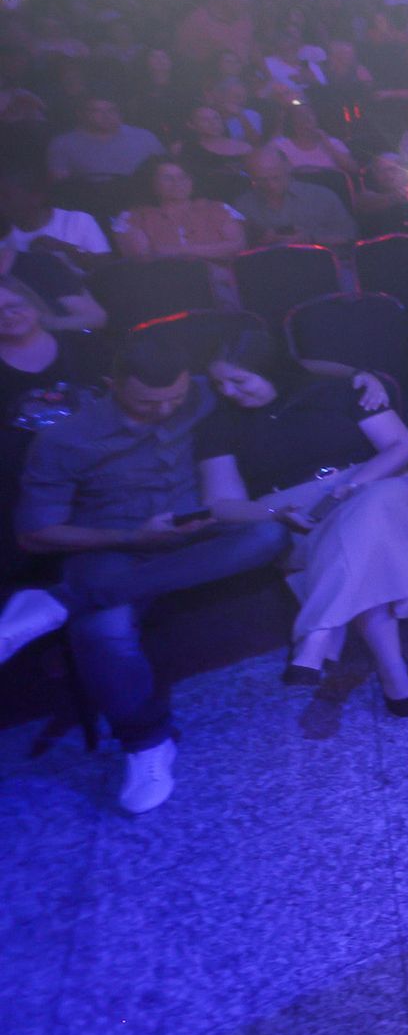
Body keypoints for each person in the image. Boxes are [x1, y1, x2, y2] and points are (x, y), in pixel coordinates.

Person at [8, 337, 290, 812]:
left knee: (268, 536)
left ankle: (63, 599)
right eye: (146, 401)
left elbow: (276, 371)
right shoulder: (65, 439)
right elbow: (35, 534)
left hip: (191, 531)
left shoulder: (203, 392)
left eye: (174, 400)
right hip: (112, 543)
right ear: (111, 385)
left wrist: (360, 378)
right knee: (102, 630)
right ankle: (146, 743)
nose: (163, 410)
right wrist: (133, 539)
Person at [195, 331, 408, 714]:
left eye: (238, 380)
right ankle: (392, 671)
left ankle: (317, 633)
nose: (228, 391)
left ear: (269, 369)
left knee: (370, 510)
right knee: (360, 547)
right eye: (218, 384)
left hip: (375, 484)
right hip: (297, 514)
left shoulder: (337, 391)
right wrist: (274, 513)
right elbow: (221, 503)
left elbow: (403, 446)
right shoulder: (219, 426)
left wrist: (351, 486)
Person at [0, 277, 102, 588]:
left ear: (34, 305)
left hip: (93, 449)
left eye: (14, 305)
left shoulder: (84, 345)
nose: (7, 315)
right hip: (19, 464)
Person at [112, 157, 249, 293]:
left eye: (184, 177)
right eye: (167, 178)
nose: (178, 183)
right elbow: (145, 260)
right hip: (166, 290)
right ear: (151, 182)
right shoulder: (133, 217)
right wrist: (211, 254)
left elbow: (237, 247)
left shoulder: (217, 208)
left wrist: (178, 250)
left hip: (224, 286)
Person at [234, 146, 358, 247]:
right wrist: (260, 242)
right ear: (250, 177)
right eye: (261, 180)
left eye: (276, 177)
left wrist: (311, 238)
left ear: (288, 167)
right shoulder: (243, 206)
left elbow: (349, 235)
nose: (271, 185)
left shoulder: (322, 196)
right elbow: (234, 248)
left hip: (322, 265)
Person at [0, 169, 111, 268]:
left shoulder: (77, 221)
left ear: (36, 197)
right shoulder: (4, 239)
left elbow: (106, 268)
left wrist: (64, 248)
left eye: (6, 197)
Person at [46, 96, 166, 181]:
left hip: (139, 205)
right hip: (87, 208)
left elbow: (166, 172)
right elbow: (60, 186)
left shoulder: (145, 137)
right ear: (81, 114)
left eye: (111, 110)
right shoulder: (63, 144)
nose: (106, 116)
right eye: (96, 111)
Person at [268, 103, 357, 176]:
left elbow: (353, 169)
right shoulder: (281, 146)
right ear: (292, 121)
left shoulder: (334, 143)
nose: (306, 118)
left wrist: (328, 145)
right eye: (300, 115)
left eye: (310, 114)